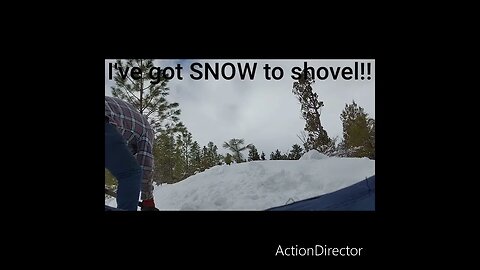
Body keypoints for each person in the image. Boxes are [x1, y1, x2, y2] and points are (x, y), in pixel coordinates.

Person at [105, 96, 159, 211]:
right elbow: (145, 164)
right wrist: (148, 199)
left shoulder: (126, 119)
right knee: (130, 174)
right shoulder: (147, 130)